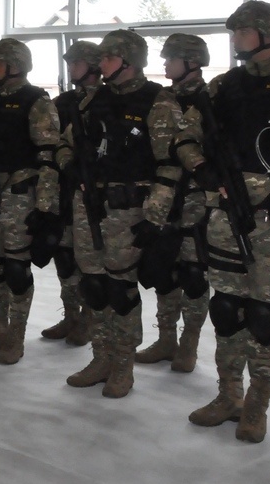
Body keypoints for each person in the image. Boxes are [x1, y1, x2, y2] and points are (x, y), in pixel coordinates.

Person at [169, 1, 270, 441]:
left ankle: (257, 406)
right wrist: (201, 168)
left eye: (242, 31)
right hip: (225, 216)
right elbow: (184, 136)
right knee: (226, 308)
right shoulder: (222, 86)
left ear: (269, 33)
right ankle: (228, 394)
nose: (234, 39)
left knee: (265, 314)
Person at [57, 30, 180, 396]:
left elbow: (170, 166)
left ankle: (123, 366)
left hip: (130, 211)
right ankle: (101, 357)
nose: (101, 64)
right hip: (89, 205)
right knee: (94, 286)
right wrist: (70, 167)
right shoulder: (92, 100)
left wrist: (155, 218)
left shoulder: (157, 102)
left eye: (108, 58)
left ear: (128, 61)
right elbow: (63, 145)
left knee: (121, 289)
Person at [0, 38, 60, 364]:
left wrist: (45, 209)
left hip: (20, 194)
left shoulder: (37, 102)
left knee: (17, 268)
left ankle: (15, 338)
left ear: (12, 65)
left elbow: (49, 159)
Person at [133, 34, 212, 372]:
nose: (164, 64)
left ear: (191, 61)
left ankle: (189, 345)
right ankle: (166, 339)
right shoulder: (161, 97)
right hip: (161, 194)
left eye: (171, 58)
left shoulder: (211, 99)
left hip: (197, 196)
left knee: (193, 274)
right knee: (162, 269)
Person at [42, 41, 102, 346]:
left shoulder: (106, 100)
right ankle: (71, 316)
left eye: (76, 63)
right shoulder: (63, 102)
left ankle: (89, 320)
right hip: (63, 187)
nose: (71, 68)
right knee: (64, 256)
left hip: (92, 191)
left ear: (93, 65)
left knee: (89, 262)